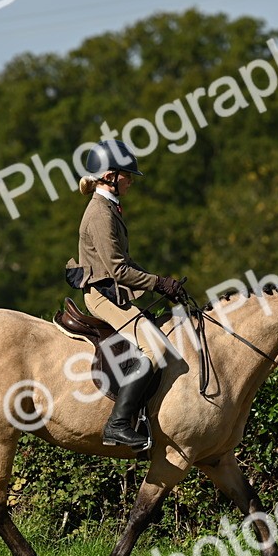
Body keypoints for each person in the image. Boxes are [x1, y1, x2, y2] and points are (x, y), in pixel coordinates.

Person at [64, 140, 184, 451]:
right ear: (111, 176)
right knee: (155, 349)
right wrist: (159, 283)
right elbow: (118, 270)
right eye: (127, 176)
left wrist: (163, 283)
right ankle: (117, 424)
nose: (130, 181)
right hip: (103, 296)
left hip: (112, 292)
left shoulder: (108, 207)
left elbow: (126, 263)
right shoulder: (100, 213)